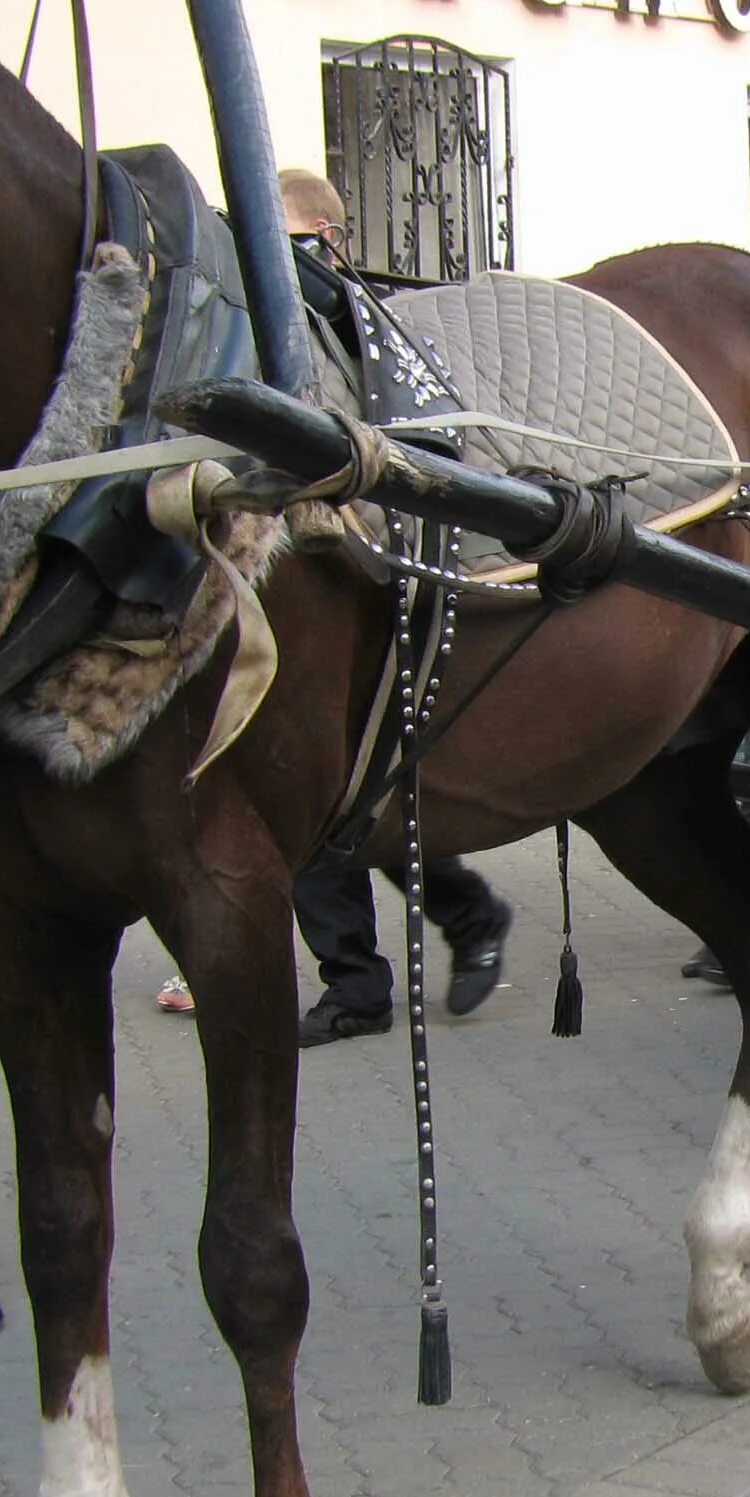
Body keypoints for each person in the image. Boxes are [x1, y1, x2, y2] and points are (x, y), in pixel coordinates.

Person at [157, 169, 514, 1044]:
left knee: (343, 806)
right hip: (274, 581)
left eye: (280, 238)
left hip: (357, 583)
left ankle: (442, 933)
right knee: (326, 812)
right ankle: (368, 978)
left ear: (323, 235)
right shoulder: (243, 317)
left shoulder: (345, 319)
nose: (261, 256)